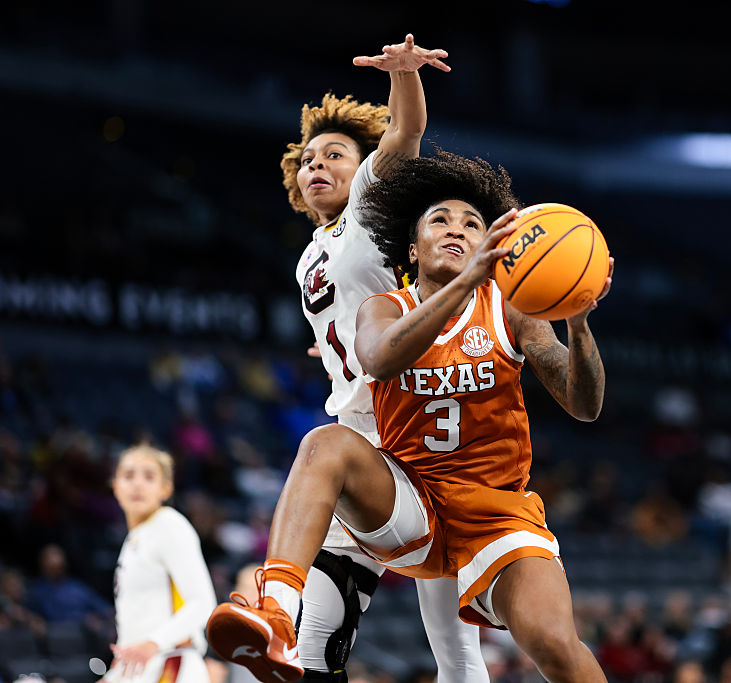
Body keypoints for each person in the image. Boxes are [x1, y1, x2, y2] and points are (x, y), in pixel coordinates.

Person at [207, 151, 613, 682]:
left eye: (472, 223)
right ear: (412, 247)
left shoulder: (510, 307)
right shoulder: (383, 307)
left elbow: (585, 406)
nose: (457, 229)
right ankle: (277, 612)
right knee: (325, 444)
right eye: (439, 219)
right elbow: (379, 358)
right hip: (412, 503)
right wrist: (466, 281)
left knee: (555, 644)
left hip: (496, 517)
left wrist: (578, 325)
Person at [218, 34, 486, 682]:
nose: (317, 165)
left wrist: (404, 76)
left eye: (335, 154)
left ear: (362, 166)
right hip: (366, 442)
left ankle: (272, 604)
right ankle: (276, 615)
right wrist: (337, 347)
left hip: (421, 444)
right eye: (307, 159)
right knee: (312, 657)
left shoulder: (370, 202)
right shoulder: (309, 254)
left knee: (457, 654)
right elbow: (356, 313)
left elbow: (406, 132)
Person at [106, 444, 217, 683]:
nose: (137, 483)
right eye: (128, 476)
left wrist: (153, 643)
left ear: (166, 488)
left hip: (172, 663)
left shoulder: (169, 525)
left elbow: (202, 603)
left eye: (148, 476)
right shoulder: (134, 538)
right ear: (115, 486)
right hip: (142, 667)